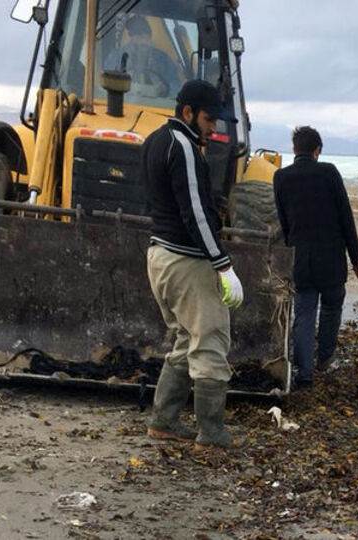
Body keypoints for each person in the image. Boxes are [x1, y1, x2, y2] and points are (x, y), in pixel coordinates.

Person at [141, 80, 241, 451]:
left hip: (160, 256)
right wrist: (223, 263)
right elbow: (194, 212)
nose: (213, 127)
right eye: (208, 118)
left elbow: (159, 200)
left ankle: (163, 420)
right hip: (186, 260)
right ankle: (211, 432)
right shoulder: (182, 145)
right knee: (212, 339)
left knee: (186, 338)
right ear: (187, 113)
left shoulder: (154, 141)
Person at [274, 126, 358, 388]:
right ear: (317, 150)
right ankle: (325, 358)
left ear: (294, 149)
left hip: (301, 260)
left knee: (303, 314)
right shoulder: (329, 173)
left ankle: (304, 373)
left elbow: (284, 222)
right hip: (331, 260)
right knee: (332, 306)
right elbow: (346, 218)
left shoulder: (281, 177)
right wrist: (356, 258)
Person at [104, 15, 182, 98]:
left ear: (149, 36)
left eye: (142, 34)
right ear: (130, 37)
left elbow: (176, 87)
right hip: (121, 103)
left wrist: (165, 89)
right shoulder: (116, 57)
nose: (139, 39)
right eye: (135, 33)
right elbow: (107, 82)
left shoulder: (163, 59)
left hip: (158, 107)